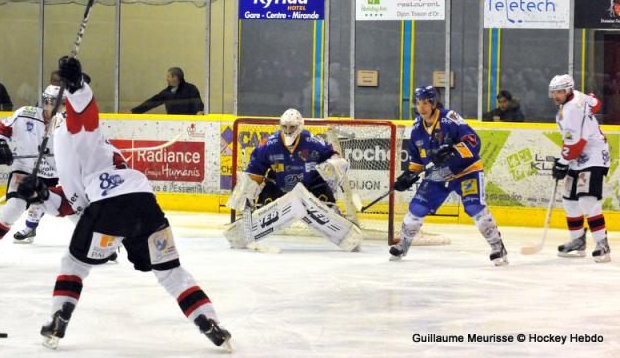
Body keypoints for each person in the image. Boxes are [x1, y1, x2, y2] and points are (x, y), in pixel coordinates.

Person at [16, 56, 231, 350]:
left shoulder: (72, 133)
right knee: (171, 273)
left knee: (74, 264)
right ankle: (209, 321)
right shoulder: (98, 151)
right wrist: (41, 193)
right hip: (145, 204)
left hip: (109, 207)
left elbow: (85, 120)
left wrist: (79, 86)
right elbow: (69, 202)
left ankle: (58, 317)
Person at [390, 86, 508, 266]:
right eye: (418, 103)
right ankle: (403, 245)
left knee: (474, 206)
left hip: (465, 171)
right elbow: (417, 161)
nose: (422, 107)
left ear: (433, 103)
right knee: (417, 209)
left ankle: (497, 246)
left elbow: (474, 141)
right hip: (438, 176)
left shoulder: (449, 118)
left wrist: (453, 151)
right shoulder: (416, 129)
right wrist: (408, 176)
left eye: (426, 102)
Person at [224, 108, 362, 252]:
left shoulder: (312, 141)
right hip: (279, 187)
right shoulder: (269, 144)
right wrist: (248, 189)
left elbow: (330, 153)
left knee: (327, 203)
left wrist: (335, 161)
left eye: (292, 127)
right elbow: (255, 167)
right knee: (263, 208)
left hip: (311, 186)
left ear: (300, 126)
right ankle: (246, 227)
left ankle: (344, 230)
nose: (288, 130)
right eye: (285, 126)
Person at [0, 85, 63, 266]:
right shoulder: (25, 114)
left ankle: (102, 246)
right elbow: (2, 130)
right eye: (53, 102)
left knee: (77, 209)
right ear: (46, 101)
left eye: (62, 103)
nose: (57, 107)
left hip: (55, 174)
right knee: (14, 207)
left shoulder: (69, 125)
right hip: (25, 169)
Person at [549, 74, 611, 262]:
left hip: (593, 155)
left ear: (567, 90)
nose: (555, 96)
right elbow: (597, 103)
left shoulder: (571, 110)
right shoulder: (578, 96)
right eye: (553, 92)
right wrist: (565, 159)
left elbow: (576, 144)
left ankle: (602, 244)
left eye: (559, 92)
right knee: (570, 200)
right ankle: (577, 241)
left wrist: (562, 162)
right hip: (578, 155)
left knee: (587, 199)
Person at [130, 67, 204, 115]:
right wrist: (134, 111)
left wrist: (198, 111)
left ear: (175, 77)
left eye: (168, 76)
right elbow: (151, 102)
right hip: (172, 124)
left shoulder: (191, 89)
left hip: (188, 124)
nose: (166, 79)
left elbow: (197, 102)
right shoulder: (167, 92)